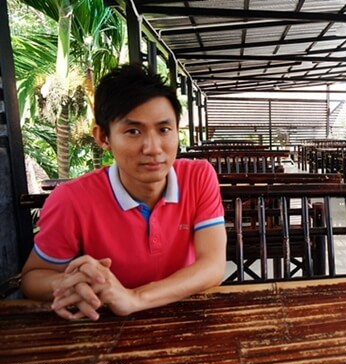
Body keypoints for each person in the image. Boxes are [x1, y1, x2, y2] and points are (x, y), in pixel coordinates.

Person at [20, 64, 227, 321]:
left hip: (188, 316)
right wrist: (72, 283)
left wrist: (135, 298)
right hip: (106, 325)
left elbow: (213, 266)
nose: (153, 148)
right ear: (103, 138)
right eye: (133, 131)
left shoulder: (198, 177)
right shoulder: (71, 199)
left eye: (164, 129)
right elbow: (32, 278)